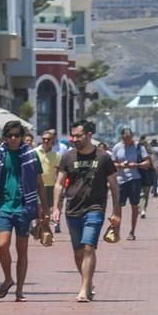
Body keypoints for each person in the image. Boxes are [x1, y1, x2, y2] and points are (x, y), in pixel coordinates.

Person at [52, 120, 121, 302]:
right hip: (73, 208)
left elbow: (113, 184)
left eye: (78, 136)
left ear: (89, 135)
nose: (74, 139)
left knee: (89, 247)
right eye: (72, 136)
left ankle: (83, 289)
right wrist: (55, 207)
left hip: (95, 208)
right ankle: (87, 282)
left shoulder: (103, 157)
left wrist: (116, 211)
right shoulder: (68, 157)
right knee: (78, 252)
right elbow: (59, 184)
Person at [0, 120, 46, 302]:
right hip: (4, 207)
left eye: (17, 135)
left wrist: (44, 210)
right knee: (2, 244)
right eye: (10, 135)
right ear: (5, 137)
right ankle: (8, 278)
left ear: (22, 135)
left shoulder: (31, 155)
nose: (14, 138)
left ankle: (19, 290)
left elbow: (40, 183)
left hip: (24, 207)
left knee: (22, 250)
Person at [111, 128, 149, 239]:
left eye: (129, 138)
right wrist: (120, 165)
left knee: (134, 205)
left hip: (134, 179)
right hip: (120, 180)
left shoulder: (139, 147)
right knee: (118, 206)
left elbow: (147, 162)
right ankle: (116, 231)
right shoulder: (117, 147)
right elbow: (111, 163)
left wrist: (136, 165)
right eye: (125, 139)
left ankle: (132, 231)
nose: (127, 141)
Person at [35, 129, 63, 232]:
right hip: (37, 185)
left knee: (49, 210)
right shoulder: (35, 152)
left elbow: (57, 172)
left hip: (50, 185)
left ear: (53, 140)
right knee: (40, 209)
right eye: (44, 139)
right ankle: (39, 227)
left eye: (49, 139)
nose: (46, 141)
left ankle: (44, 228)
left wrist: (59, 186)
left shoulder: (56, 155)